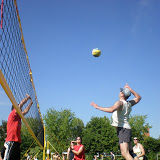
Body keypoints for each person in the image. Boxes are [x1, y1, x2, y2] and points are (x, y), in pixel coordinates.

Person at [90, 83, 141, 160]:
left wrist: (97, 107)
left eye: (121, 91)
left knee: (125, 153)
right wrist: (130, 89)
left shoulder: (120, 103)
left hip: (123, 129)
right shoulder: (129, 103)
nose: (120, 92)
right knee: (131, 153)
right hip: (127, 129)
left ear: (123, 94)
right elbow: (138, 98)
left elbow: (111, 109)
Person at [4, 94, 33, 160]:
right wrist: (27, 98)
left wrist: (30, 103)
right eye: (19, 108)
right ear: (15, 108)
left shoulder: (19, 116)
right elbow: (21, 104)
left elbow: (26, 111)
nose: (21, 109)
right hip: (11, 141)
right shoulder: (12, 114)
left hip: (17, 142)